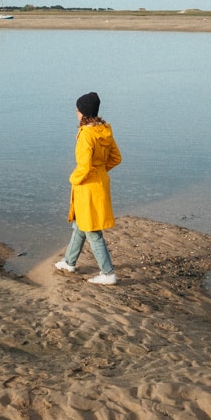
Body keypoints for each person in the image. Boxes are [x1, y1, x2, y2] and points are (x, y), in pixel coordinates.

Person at [54, 91, 122, 285]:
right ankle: (69, 262)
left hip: (88, 187)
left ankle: (108, 273)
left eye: (77, 109)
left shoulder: (86, 135)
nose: (76, 112)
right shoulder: (104, 130)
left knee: (92, 231)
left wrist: (73, 179)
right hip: (99, 183)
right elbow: (116, 158)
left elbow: (83, 167)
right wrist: (100, 171)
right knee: (80, 225)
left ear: (83, 112)